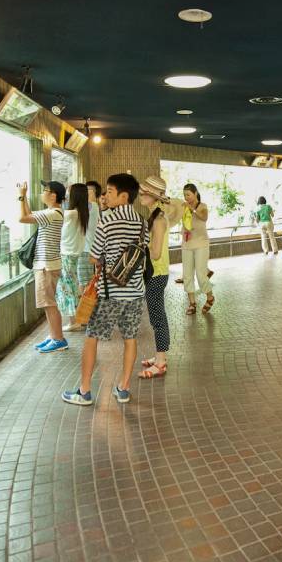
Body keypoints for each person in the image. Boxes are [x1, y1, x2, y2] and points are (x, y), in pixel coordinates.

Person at [62, 173, 147, 406]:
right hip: (135, 292)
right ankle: (123, 389)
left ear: (124, 196)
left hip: (110, 293)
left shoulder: (107, 220)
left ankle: (84, 391)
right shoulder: (142, 222)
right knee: (130, 338)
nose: (105, 196)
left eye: (110, 191)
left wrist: (103, 259)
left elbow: (93, 257)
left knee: (92, 338)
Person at [21, 180, 68, 353]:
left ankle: (58, 339)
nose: (42, 194)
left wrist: (21, 197)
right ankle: (54, 335)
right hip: (46, 264)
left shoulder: (53, 214)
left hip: (47, 266)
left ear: (53, 196)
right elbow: (28, 214)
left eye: (45, 191)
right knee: (47, 303)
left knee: (49, 303)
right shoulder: (51, 213)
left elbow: (23, 218)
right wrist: (24, 196)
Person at [138, 176, 171, 378]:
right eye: (141, 191)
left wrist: (140, 246)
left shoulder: (158, 220)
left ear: (155, 197)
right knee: (158, 317)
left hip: (156, 273)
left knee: (158, 319)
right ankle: (160, 356)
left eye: (145, 192)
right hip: (156, 273)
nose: (141, 195)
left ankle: (160, 362)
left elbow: (156, 253)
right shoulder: (154, 216)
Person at [57, 183, 92, 330]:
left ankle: (74, 322)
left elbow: (54, 216)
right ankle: (79, 319)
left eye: (68, 192)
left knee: (67, 288)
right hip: (74, 254)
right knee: (72, 286)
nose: (66, 195)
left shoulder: (70, 214)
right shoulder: (83, 212)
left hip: (67, 255)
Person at [180, 183, 215, 314]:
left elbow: (204, 217)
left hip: (201, 244)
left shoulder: (202, 206)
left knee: (201, 274)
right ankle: (192, 303)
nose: (186, 197)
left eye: (188, 195)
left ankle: (210, 297)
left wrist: (192, 209)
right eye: (184, 195)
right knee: (187, 275)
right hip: (187, 244)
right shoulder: (183, 207)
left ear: (195, 194)